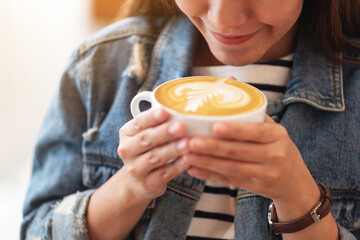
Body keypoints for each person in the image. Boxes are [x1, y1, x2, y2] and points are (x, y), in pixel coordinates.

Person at [21, 0, 360, 239]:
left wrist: (300, 200)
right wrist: (129, 188)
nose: (225, 19)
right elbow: (36, 230)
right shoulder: (100, 66)